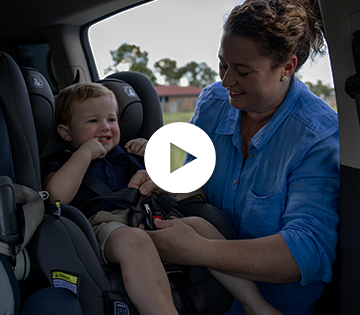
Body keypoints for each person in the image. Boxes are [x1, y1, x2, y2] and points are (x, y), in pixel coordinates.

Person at [131, 0, 340, 314]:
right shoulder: (214, 101)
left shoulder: (317, 136)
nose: (227, 80)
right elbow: (193, 174)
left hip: (274, 304)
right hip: (204, 286)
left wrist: (201, 251)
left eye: (243, 71)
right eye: (222, 64)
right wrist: (166, 179)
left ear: (287, 67)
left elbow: (306, 251)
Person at [42, 82, 179, 315]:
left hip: (144, 215)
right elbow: (56, 197)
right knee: (134, 240)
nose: (105, 127)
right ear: (66, 132)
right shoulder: (64, 161)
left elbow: (170, 191)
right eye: (93, 121)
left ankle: (252, 302)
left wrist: (152, 157)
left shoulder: (125, 155)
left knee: (202, 226)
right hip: (101, 225)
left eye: (112, 120)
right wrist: (84, 153)